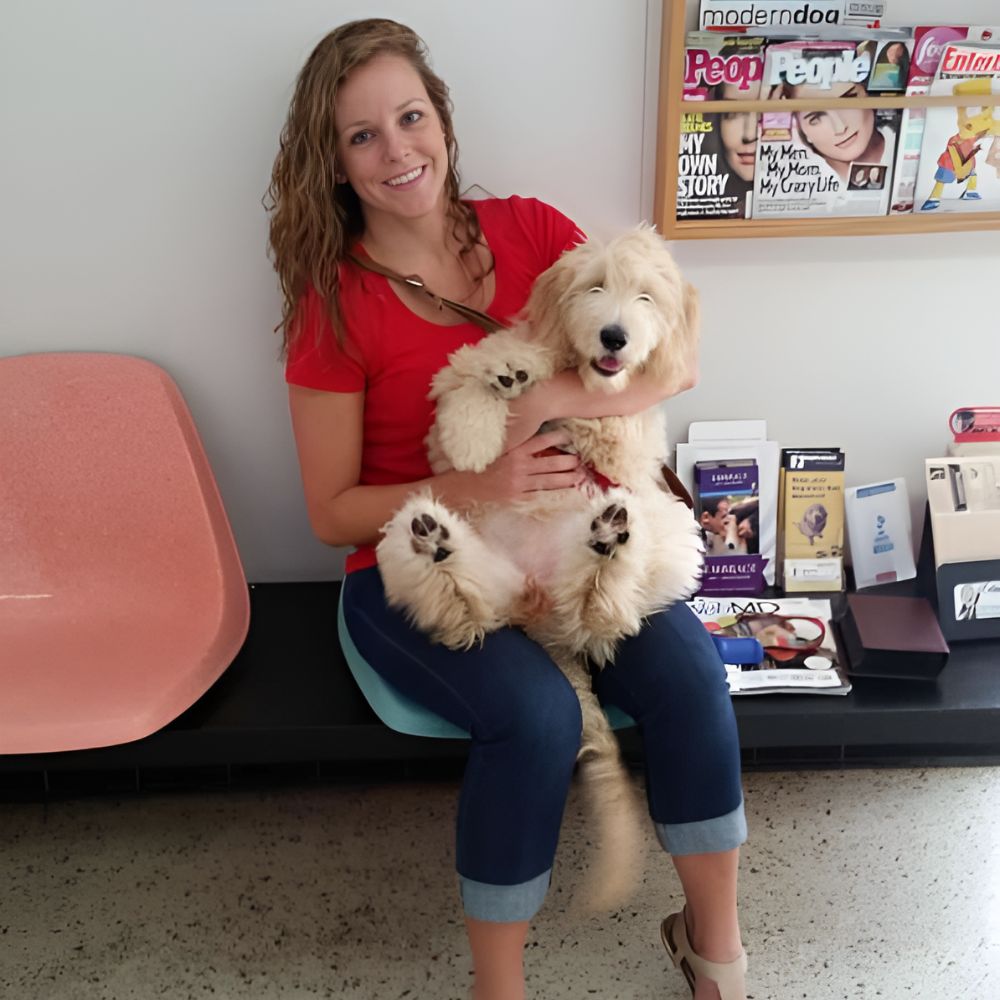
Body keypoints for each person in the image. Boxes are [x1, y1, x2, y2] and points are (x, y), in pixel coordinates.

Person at [266, 18, 748, 1000]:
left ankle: (716, 949)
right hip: (424, 563)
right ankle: (500, 989)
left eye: (410, 117)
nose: (397, 149)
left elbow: (671, 356)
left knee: (692, 672)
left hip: (577, 540)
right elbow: (331, 511)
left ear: (441, 120)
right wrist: (477, 489)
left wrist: (551, 402)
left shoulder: (530, 230)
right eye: (363, 135)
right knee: (530, 717)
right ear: (336, 162)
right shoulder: (333, 304)